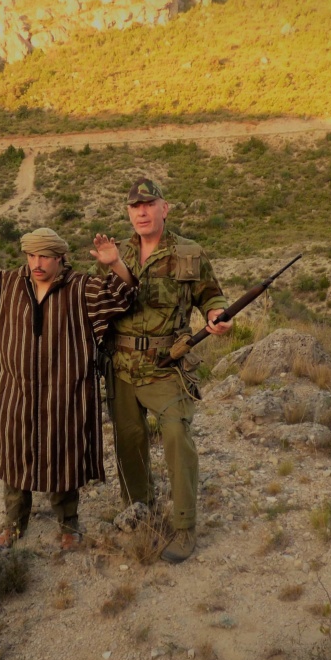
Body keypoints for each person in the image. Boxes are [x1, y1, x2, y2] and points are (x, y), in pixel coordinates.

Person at [0, 217, 136, 551]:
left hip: (66, 395)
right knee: (15, 457)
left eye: (44, 257)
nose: (37, 264)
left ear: (59, 258)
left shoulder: (81, 288)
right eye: (31, 256)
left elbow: (122, 295)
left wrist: (115, 264)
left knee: (65, 457)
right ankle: (13, 523)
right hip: (17, 393)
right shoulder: (6, 285)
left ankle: (68, 525)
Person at [101, 178, 231, 563]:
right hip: (121, 365)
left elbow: (211, 294)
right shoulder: (117, 252)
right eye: (134, 207)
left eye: (148, 204)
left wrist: (214, 315)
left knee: (176, 433)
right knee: (128, 439)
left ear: (164, 208)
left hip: (166, 363)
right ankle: (138, 508)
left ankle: (185, 526)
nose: (141, 212)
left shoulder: (190, 253)